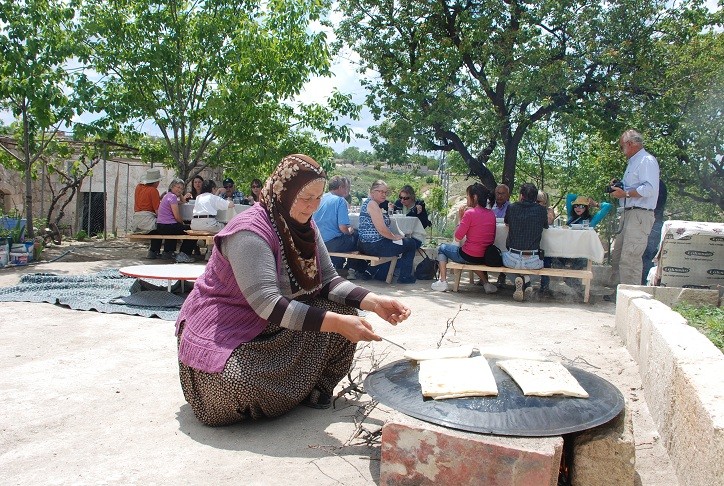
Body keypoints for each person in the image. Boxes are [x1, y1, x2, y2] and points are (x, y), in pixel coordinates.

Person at [175, 154, 411, 426]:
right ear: (283, 192)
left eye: (318, 198)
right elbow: (266, 303)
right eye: (304, 198)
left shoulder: (305, 226)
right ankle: (278, 395)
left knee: (344, 310)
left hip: (270, 325)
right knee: (235, 385)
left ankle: (309, 390)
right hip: (229, 329)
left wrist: (373, 302)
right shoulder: (249, 232)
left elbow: (328, 281)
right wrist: (336, 323)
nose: (311, 207)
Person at [607, 129, 660, 291]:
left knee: (630, 257)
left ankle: (631, 295)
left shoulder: (646, 160)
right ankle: (618, 293)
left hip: (639, 213)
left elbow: (649, 189)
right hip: (628, 212)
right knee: (618, 255)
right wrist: (620, 187)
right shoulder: (633, 162)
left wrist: (626, 193)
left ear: (630, 144)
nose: (622, 151)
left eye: (622, 146)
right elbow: (635, 187)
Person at [431, 183, 497, 294]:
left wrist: (461, 219)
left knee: (442, 248)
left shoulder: (470, 213)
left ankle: (442, 281)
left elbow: (458, 237)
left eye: (467, 196)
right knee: (472, 260)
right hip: (483, 256)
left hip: (468, 255)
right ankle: (486, 283)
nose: (466, 199)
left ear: (474, 197)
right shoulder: (491, 214)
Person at [546, 195, 613, 294]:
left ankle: (580, 292)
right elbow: (569, 196)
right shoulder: (571, 217)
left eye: (582, 206)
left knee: (571, 275)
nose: (578, 208)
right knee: (553, 260)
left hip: (581, 255)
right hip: (566, 253)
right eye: (576, 206)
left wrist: (594, 203)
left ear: (586, 208)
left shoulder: (591, 221)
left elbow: (608, 206)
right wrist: (582, 197)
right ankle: (577, 290)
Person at [358, 180, 421, 284]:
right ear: (372, 192)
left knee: (401, 243)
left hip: (365, 244)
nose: (384, 195)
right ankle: (405, 277)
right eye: (381, 192)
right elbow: (382, 229)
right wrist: (394, 237)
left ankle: (373, 271)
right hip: (373, 245)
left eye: (385, 192)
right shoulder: (372, 204)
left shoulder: (369, 203)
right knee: (410, 243)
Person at [312, 175, 366, 279]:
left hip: (317, 241)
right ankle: (351, 270)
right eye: (347, 188)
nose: (348, 191)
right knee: (357, 236)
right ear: (341, 187)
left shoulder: (320, 198)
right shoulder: (340, 201)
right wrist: (350, 231)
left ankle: (339, 266)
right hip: (332, 243)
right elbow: (343, 228)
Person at [502, 183, 548, 302]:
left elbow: (506, 223)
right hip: (532, 260)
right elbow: (546, 226)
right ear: (535, 197)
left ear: (521, 195)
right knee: (544, 265)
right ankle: (526, 281)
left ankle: (521, 283)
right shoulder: (542, 210)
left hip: (512, 258)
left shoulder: (511, 207)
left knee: (500, 259)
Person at [155, 178, 196, 263]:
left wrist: (180, 195)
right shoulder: (172, 197)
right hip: (167, 226)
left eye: (182, 188)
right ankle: (183, 254)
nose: (180, 190)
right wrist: (183, 224)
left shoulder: (168, 196)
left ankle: (168, 252)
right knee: (193, 232)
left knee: (178, 228)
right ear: (172, 187)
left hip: (161, 226)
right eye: (178, 187)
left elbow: (184, 203)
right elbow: (177, 217)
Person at [132, 168, 163, 259]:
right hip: (148, 219)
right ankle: (154, 251)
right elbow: (157, 211)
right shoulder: (153, 190)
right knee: (161, 229)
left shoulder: (138, 187)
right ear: (156, 182)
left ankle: (153, 251)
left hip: (137, 218)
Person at [642, 180, 667, 284]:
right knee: (647, 255)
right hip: (654, 223)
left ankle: (644, 283)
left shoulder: (656, 185)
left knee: (647, 255)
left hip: (653, 223)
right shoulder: (659, 185)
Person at [491, 183, 511, 287]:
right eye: (498, 193)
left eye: (503, 194)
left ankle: (502, 276)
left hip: (505, 236)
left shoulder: (511, 208)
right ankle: (483, 277)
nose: (500, 196)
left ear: (508, 195)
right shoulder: (490, 206)